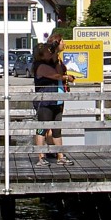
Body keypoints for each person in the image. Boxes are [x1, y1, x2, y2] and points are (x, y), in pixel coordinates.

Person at [33, 36, 74, 166]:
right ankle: (41, 157)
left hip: (57, 98)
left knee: (57, 129)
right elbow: (54, 75)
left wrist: (57, 56)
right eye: (61, 41)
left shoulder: (55, 61)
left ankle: (60, 155)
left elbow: (59, 71)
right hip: (45, 99)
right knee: (42, 128)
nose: (64, 43)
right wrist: (66, 76)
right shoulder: (40, 65)